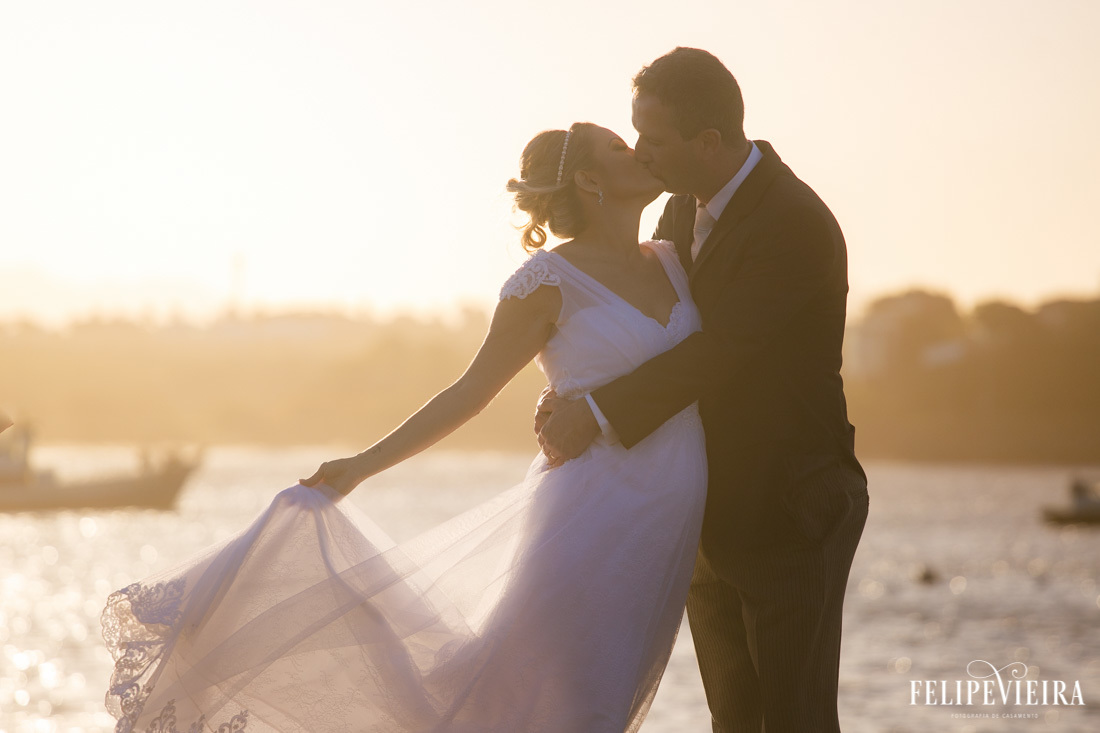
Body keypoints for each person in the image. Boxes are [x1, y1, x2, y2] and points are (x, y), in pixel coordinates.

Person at [102, 122, 709, 732]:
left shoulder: (671, 257)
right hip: (589, 522)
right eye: (620, 148)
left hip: (658, 533)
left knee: (581, 703)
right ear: (588, 179)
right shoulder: (546, 283)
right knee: (568, 708)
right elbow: (470, 392)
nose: (643, 151)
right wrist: (361, 466)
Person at [536, 47, 869, 733]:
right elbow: (654, 325)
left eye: (653, 140)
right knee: (735, 721)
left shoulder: (793, 223)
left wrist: (596, 412)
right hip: (707, 513)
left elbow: (721, 350)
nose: (641, 152)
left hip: (791, 508)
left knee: (794, 718)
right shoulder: (682, 214)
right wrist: (574, 386)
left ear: (707, 141)